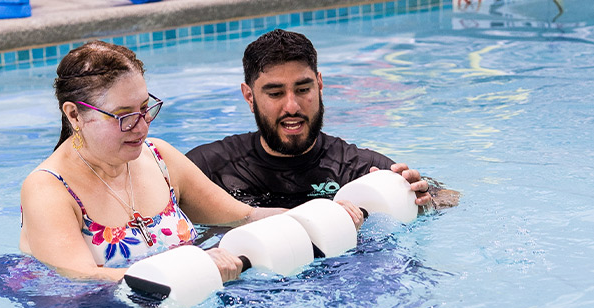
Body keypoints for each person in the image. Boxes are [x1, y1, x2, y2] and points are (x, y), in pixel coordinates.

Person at [19, 41, 367, 283]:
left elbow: (242, 215)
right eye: (124, 115)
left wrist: (322, 212)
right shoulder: (48, 190)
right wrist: (196, 265)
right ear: (75, 115)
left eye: (145, 108)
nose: (141, 126)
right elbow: (83, 280)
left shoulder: (158, 156)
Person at [186, 29, 459, 210]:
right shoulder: (210, 168)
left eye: (303, 89)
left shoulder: (357, 169)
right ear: (249, 97)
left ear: (319, 85)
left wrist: (420, 199)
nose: (291, 106)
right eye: (275, 93)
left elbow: (449, 197)